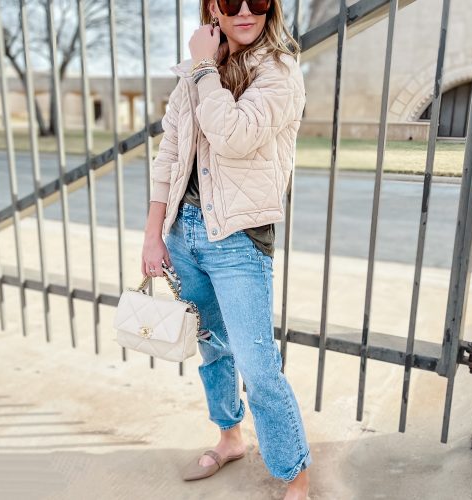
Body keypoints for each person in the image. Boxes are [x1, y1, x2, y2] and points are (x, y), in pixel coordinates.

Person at [141, 1, 312, 498]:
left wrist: (201, 69)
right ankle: (230, 437)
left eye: (257, 0)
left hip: (238, 240)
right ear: (212, 8)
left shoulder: (279, 71)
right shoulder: (197, 72)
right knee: (213, 347)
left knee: (258, 366)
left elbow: (234, 135)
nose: (244, 11)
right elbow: (169, 154)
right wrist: (154, 233)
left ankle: (295, 475)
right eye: (231, 1)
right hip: (184, 232)